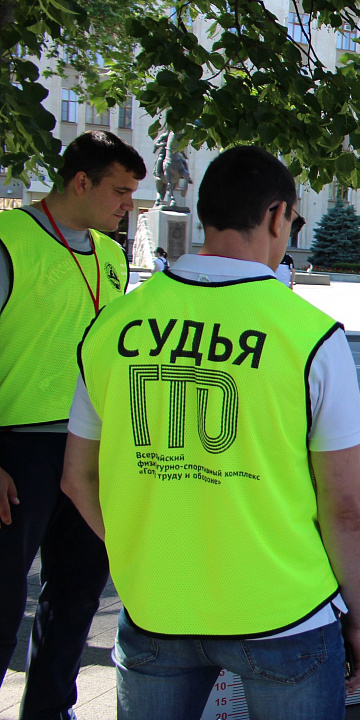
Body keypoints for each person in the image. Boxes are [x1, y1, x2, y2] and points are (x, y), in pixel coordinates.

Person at [60, 146, 360, 718]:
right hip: (284, 612)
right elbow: (346, 504)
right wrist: (359, 616)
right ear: (278, 216)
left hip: (156, 607)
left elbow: (78, 478)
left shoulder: (113, 325)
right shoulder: (310, 335)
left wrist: (143, 554)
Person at [0, 130, 143, 719]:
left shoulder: (112, 257)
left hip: (91, 450)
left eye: (134, 193)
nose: (127, 205)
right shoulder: (10, 238)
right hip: (18, 449)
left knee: (78, 597)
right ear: (79, 182)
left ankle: (49, 710)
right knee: (4, 601)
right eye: (119, 190)